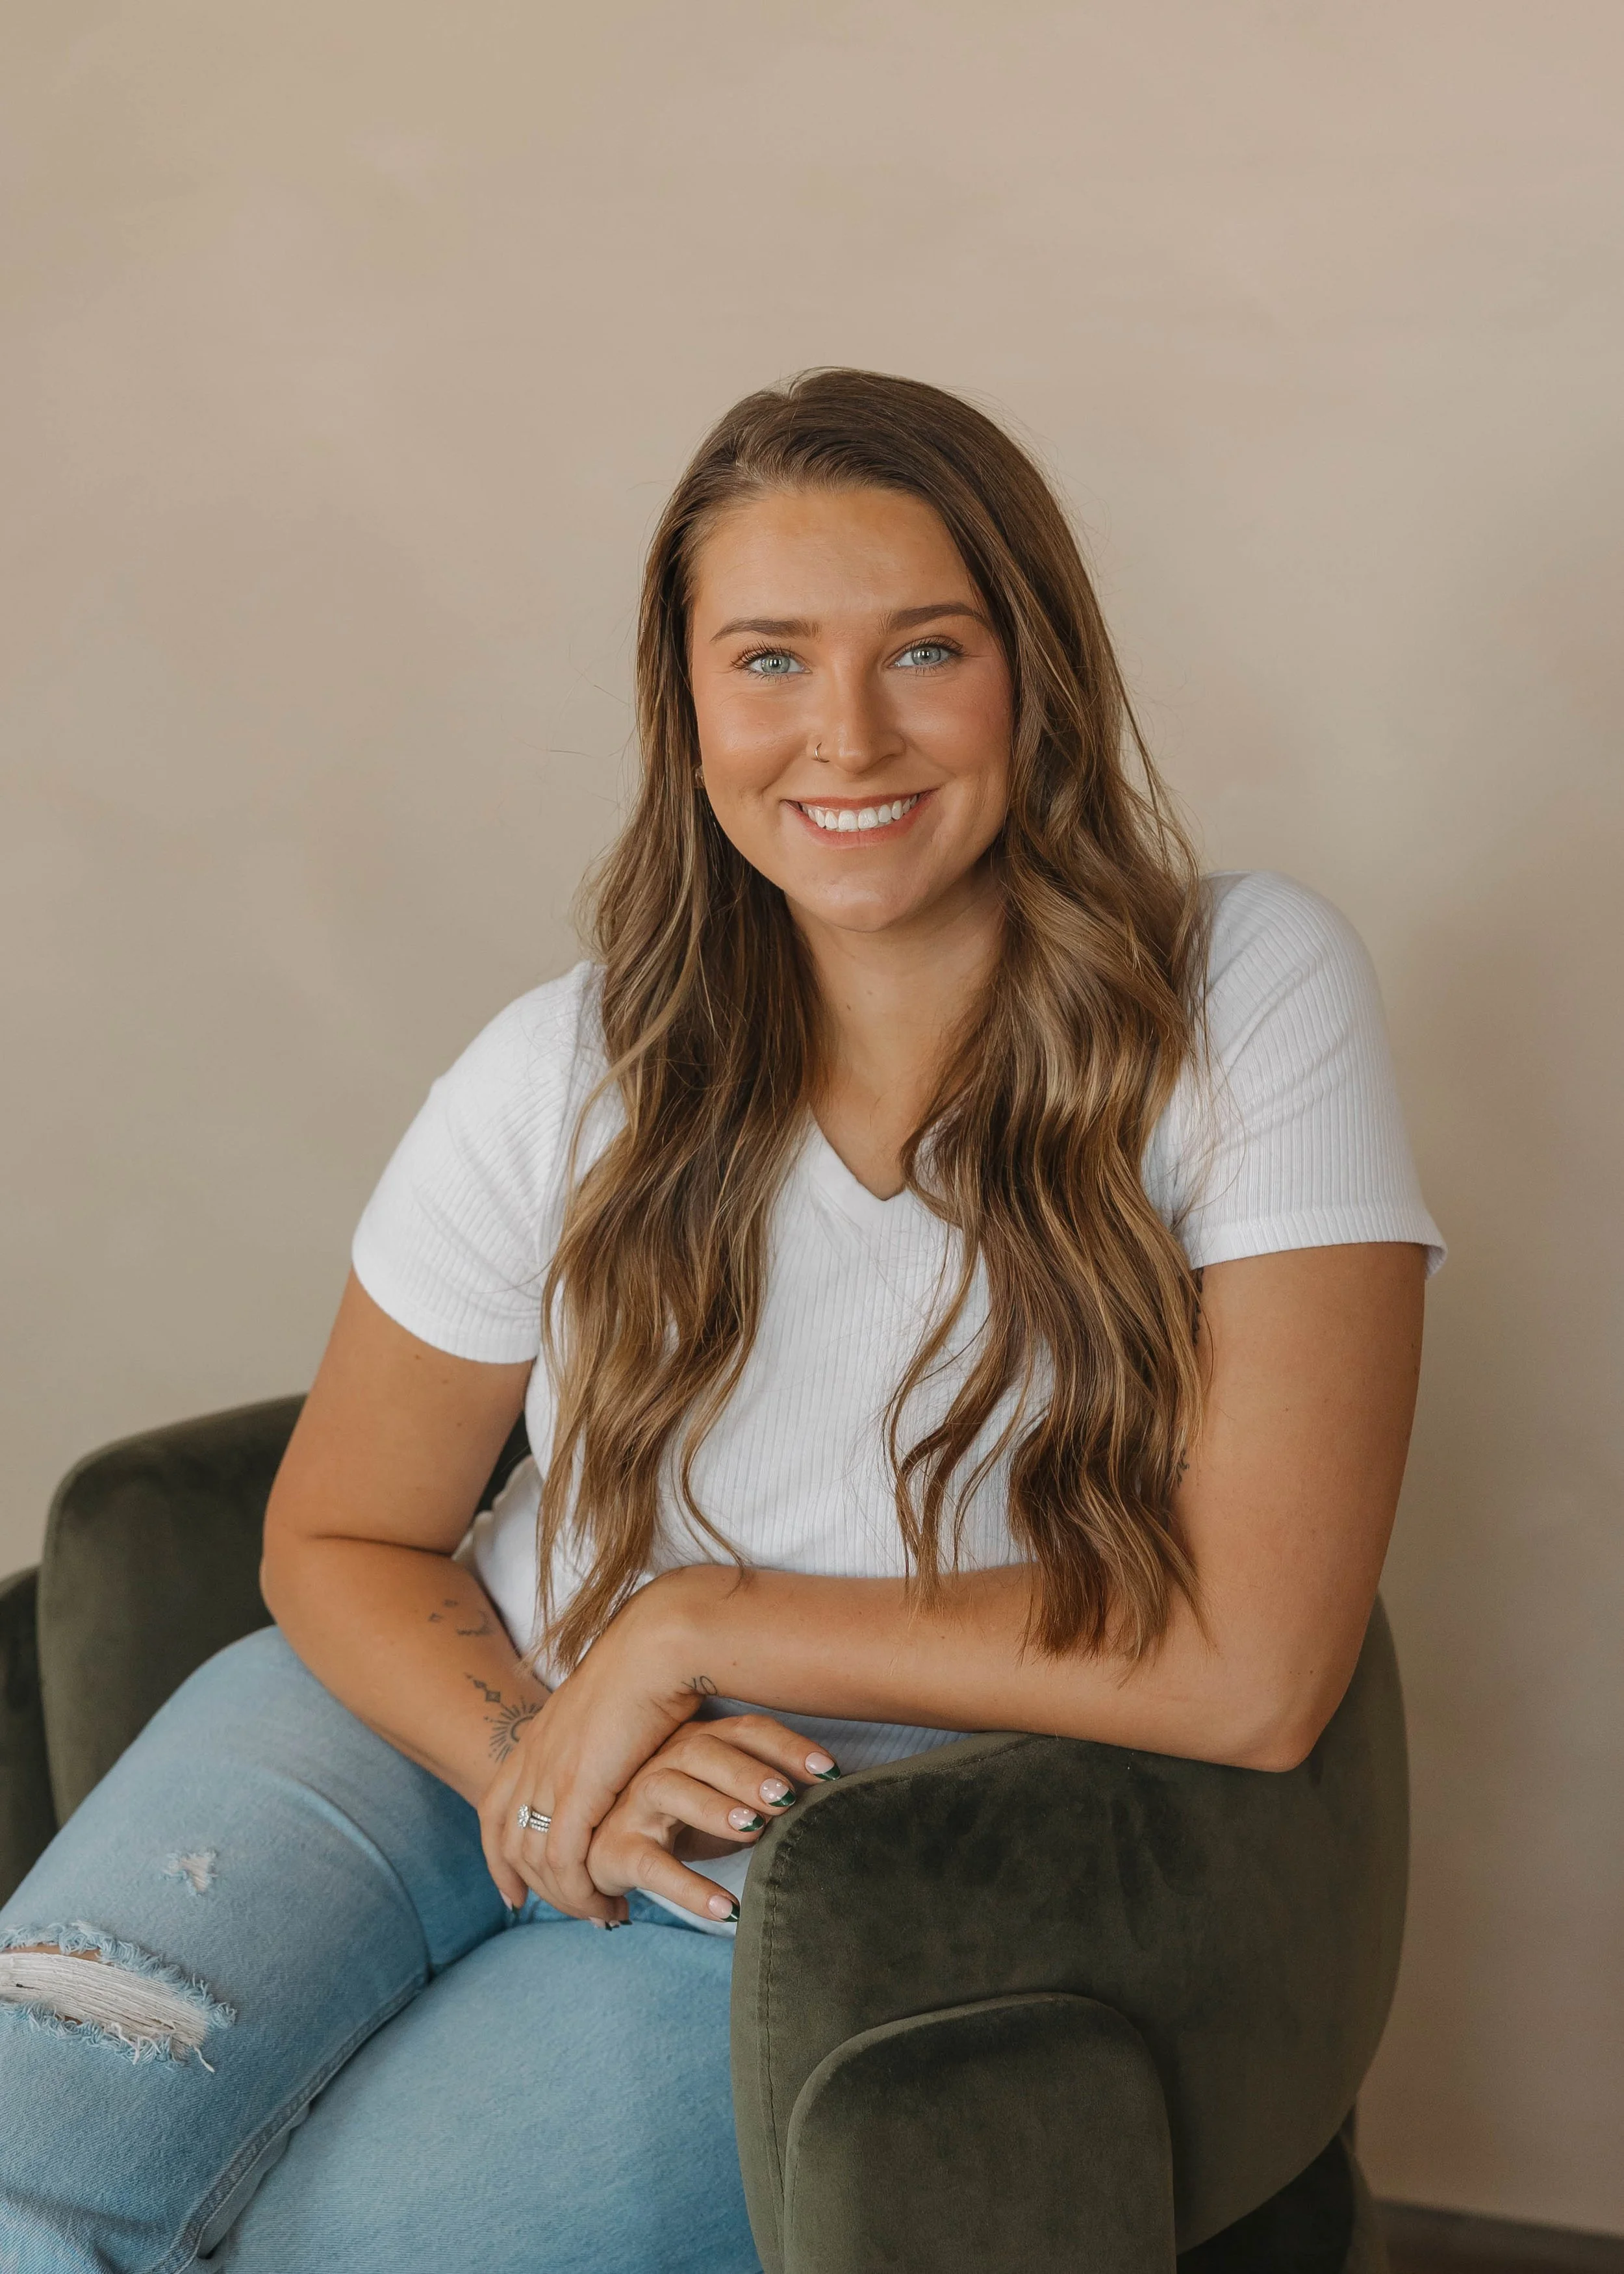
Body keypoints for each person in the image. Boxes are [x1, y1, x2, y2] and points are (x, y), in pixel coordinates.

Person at [0, 369, 1442, 2273]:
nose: (841, 730)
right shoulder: (565, 1061)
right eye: (766, 659)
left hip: (844, 1830)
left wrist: (693, 1623)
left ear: (1037, 676)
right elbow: (335, 1530)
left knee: (354, 2246)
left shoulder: (1241, 987)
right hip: (452, 1719)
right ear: (685, 712)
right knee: (40, 2174)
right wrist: (542, 1750)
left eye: (923, 647)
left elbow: (1253, 1661)